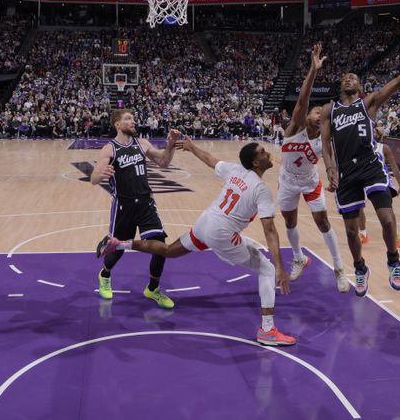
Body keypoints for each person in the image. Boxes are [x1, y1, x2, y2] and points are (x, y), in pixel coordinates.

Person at [97, 139, 296, 346]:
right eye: (263, 152)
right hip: (222, 234)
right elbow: (270, 230)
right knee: (267, 269)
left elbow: (211, 161)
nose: (267, 153)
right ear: (256, 163)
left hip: (206, 222)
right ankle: (267, 330)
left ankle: (118, 244)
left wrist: (192, 147)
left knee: (169, 250)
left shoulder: (235, 170)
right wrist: (280, 267)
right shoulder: (261, 189)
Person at [321, 38, 400, 297]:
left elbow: (398, 82)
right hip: (346, 173)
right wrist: (330, 169)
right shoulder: (330, 110)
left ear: (360, 86)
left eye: (354, 77)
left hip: (370, 165)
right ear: (341, 85)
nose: (349, 79)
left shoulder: (369, 103)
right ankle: (360, 268)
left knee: (386, 219)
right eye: (345, 77)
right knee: (351, 231)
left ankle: (393, 261)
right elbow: (325, 144)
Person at [91, 109, 180, 309]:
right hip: (123, 205)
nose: (133, 121)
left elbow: (164, 162)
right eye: (128, 119)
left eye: (133, 118)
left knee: (161, 247)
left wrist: (171, 145)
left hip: (146, 203)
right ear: (117, 124)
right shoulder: (109, 149)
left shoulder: (142, 143)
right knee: (118, 248)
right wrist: (101, 173)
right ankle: (105, 274)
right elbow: (94, 179)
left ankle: (153, 289)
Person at [277, 44, 348, 292]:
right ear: (307, 115)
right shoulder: (295, 127)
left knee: (323, 222)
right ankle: (298, 257)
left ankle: (339, 267)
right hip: (287, 180)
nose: (319, 114)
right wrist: (313, 70)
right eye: (316, 111)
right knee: (289, 221)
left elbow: (329, 158)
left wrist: (332, 173)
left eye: (322, 113)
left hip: (309, 181)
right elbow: (303, 99)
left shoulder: (324, 138)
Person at [358, 122, 400, 248]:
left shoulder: (384, 148)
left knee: (389, 209)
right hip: (363, 179)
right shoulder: (359, 148)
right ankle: (363, 234)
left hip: (382, 179)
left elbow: (394, 167)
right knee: (359, 207)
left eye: (374, 131)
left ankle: (395, 236)